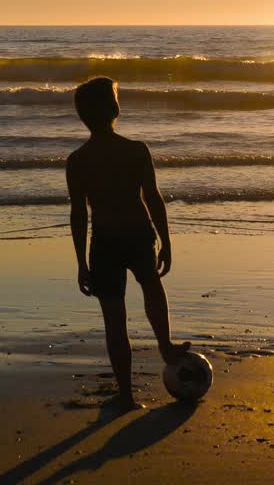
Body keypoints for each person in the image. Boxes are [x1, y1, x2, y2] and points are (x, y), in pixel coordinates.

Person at [66, 76, 189, 412]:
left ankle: (125, 394)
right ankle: (165, 345)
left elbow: (79, 216)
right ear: (116, 108)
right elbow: (153, 199)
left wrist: (81, 262)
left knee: (114, 320)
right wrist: (166, 241)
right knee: (151, 287)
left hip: (104, 241)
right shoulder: (135, 150)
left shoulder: (78, 160)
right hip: (138, 233)